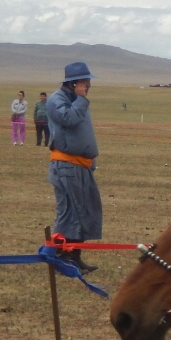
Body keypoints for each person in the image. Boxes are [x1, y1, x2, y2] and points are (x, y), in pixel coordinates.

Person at [46, 62, 102, 274]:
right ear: (74, 83)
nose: (88, 85)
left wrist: (90, 161)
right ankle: (61, 257)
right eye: (85, 81)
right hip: (66, 166)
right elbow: (68, 119)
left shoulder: (79, 102)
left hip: (81, 166)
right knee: (69, 211)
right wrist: (81, 99)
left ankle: (75, 257)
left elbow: (82, 133)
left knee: (82, 212)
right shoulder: (56, 100)